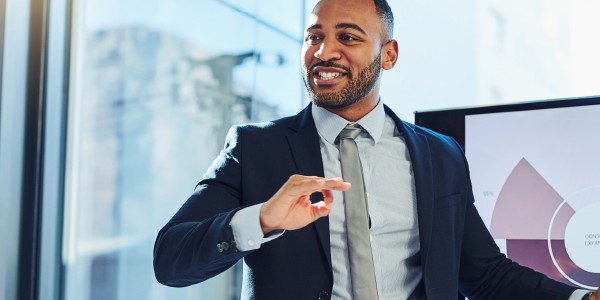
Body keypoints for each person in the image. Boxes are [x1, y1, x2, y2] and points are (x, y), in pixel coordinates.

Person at [153, 0, 599, 299]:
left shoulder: (441, 156)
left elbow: (482, 272)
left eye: (347, 37)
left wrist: (581, 297)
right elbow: (170, 260)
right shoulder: (254, 148)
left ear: (389, 55)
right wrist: (264, 218)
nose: (325, 51)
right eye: (314, 36)